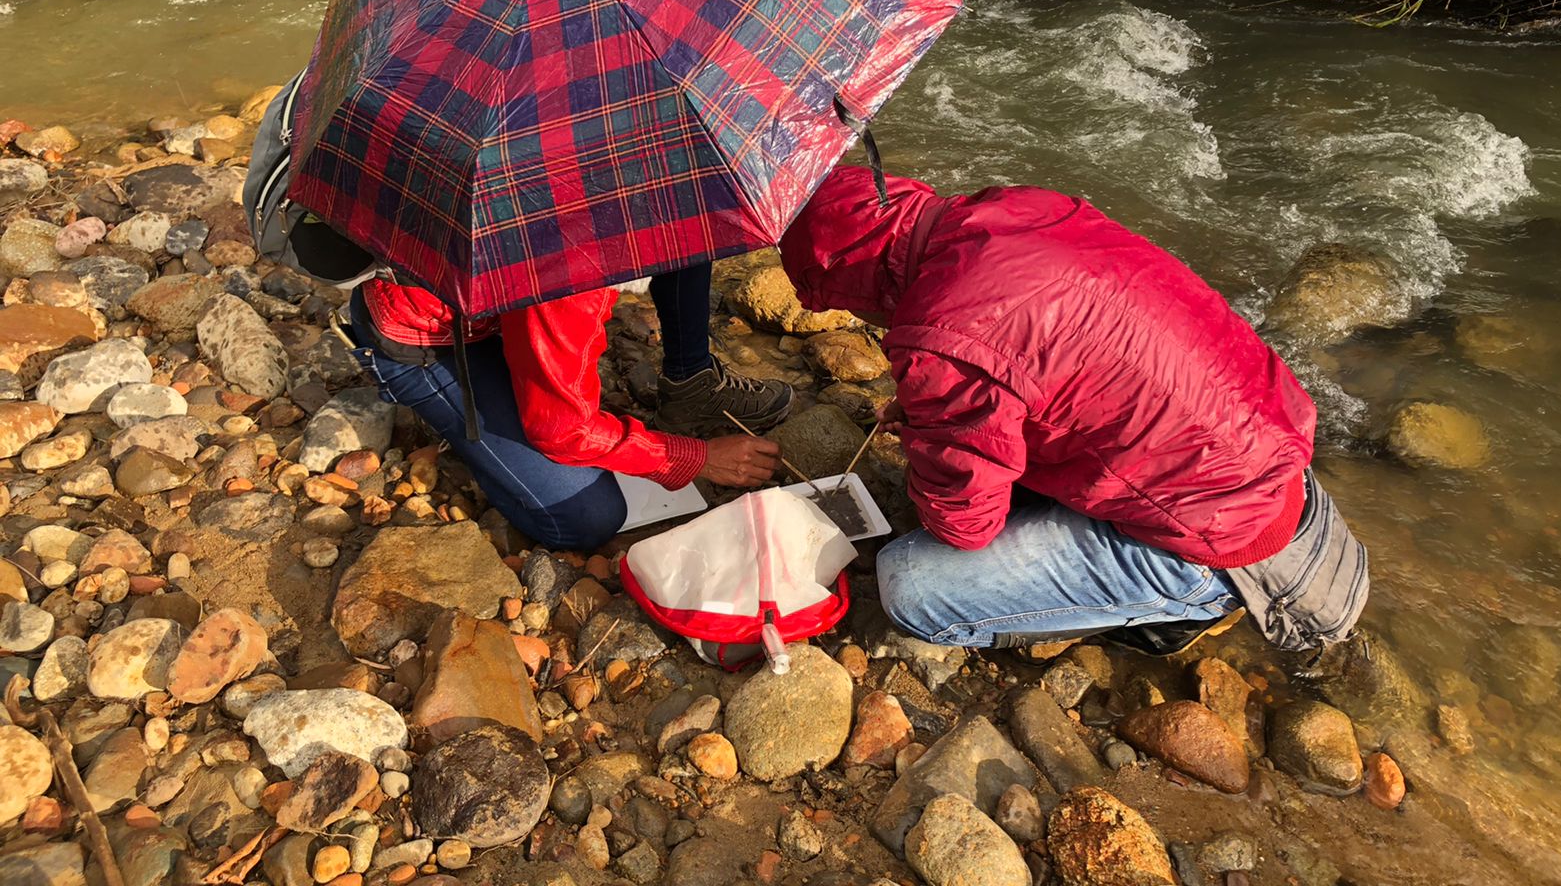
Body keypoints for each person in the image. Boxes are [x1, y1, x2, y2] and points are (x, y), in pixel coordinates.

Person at [777, 167, 1368, 655]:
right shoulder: (1022, 205)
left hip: (1221, 539)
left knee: (912, 587)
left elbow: (966, 524)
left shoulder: (941, 337)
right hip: (1264, 454)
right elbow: (1060, 367)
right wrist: (943, 413)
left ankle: (1182, 607)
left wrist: (930, 431)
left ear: (850, 284)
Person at [343, 262, 791, 550]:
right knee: (587, 517)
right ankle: (478, 443)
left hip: (486, 298)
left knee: (688, 233)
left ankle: (692, 381)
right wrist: (697, 459)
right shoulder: (567, 260)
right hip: (425, 339)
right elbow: (562, 430)